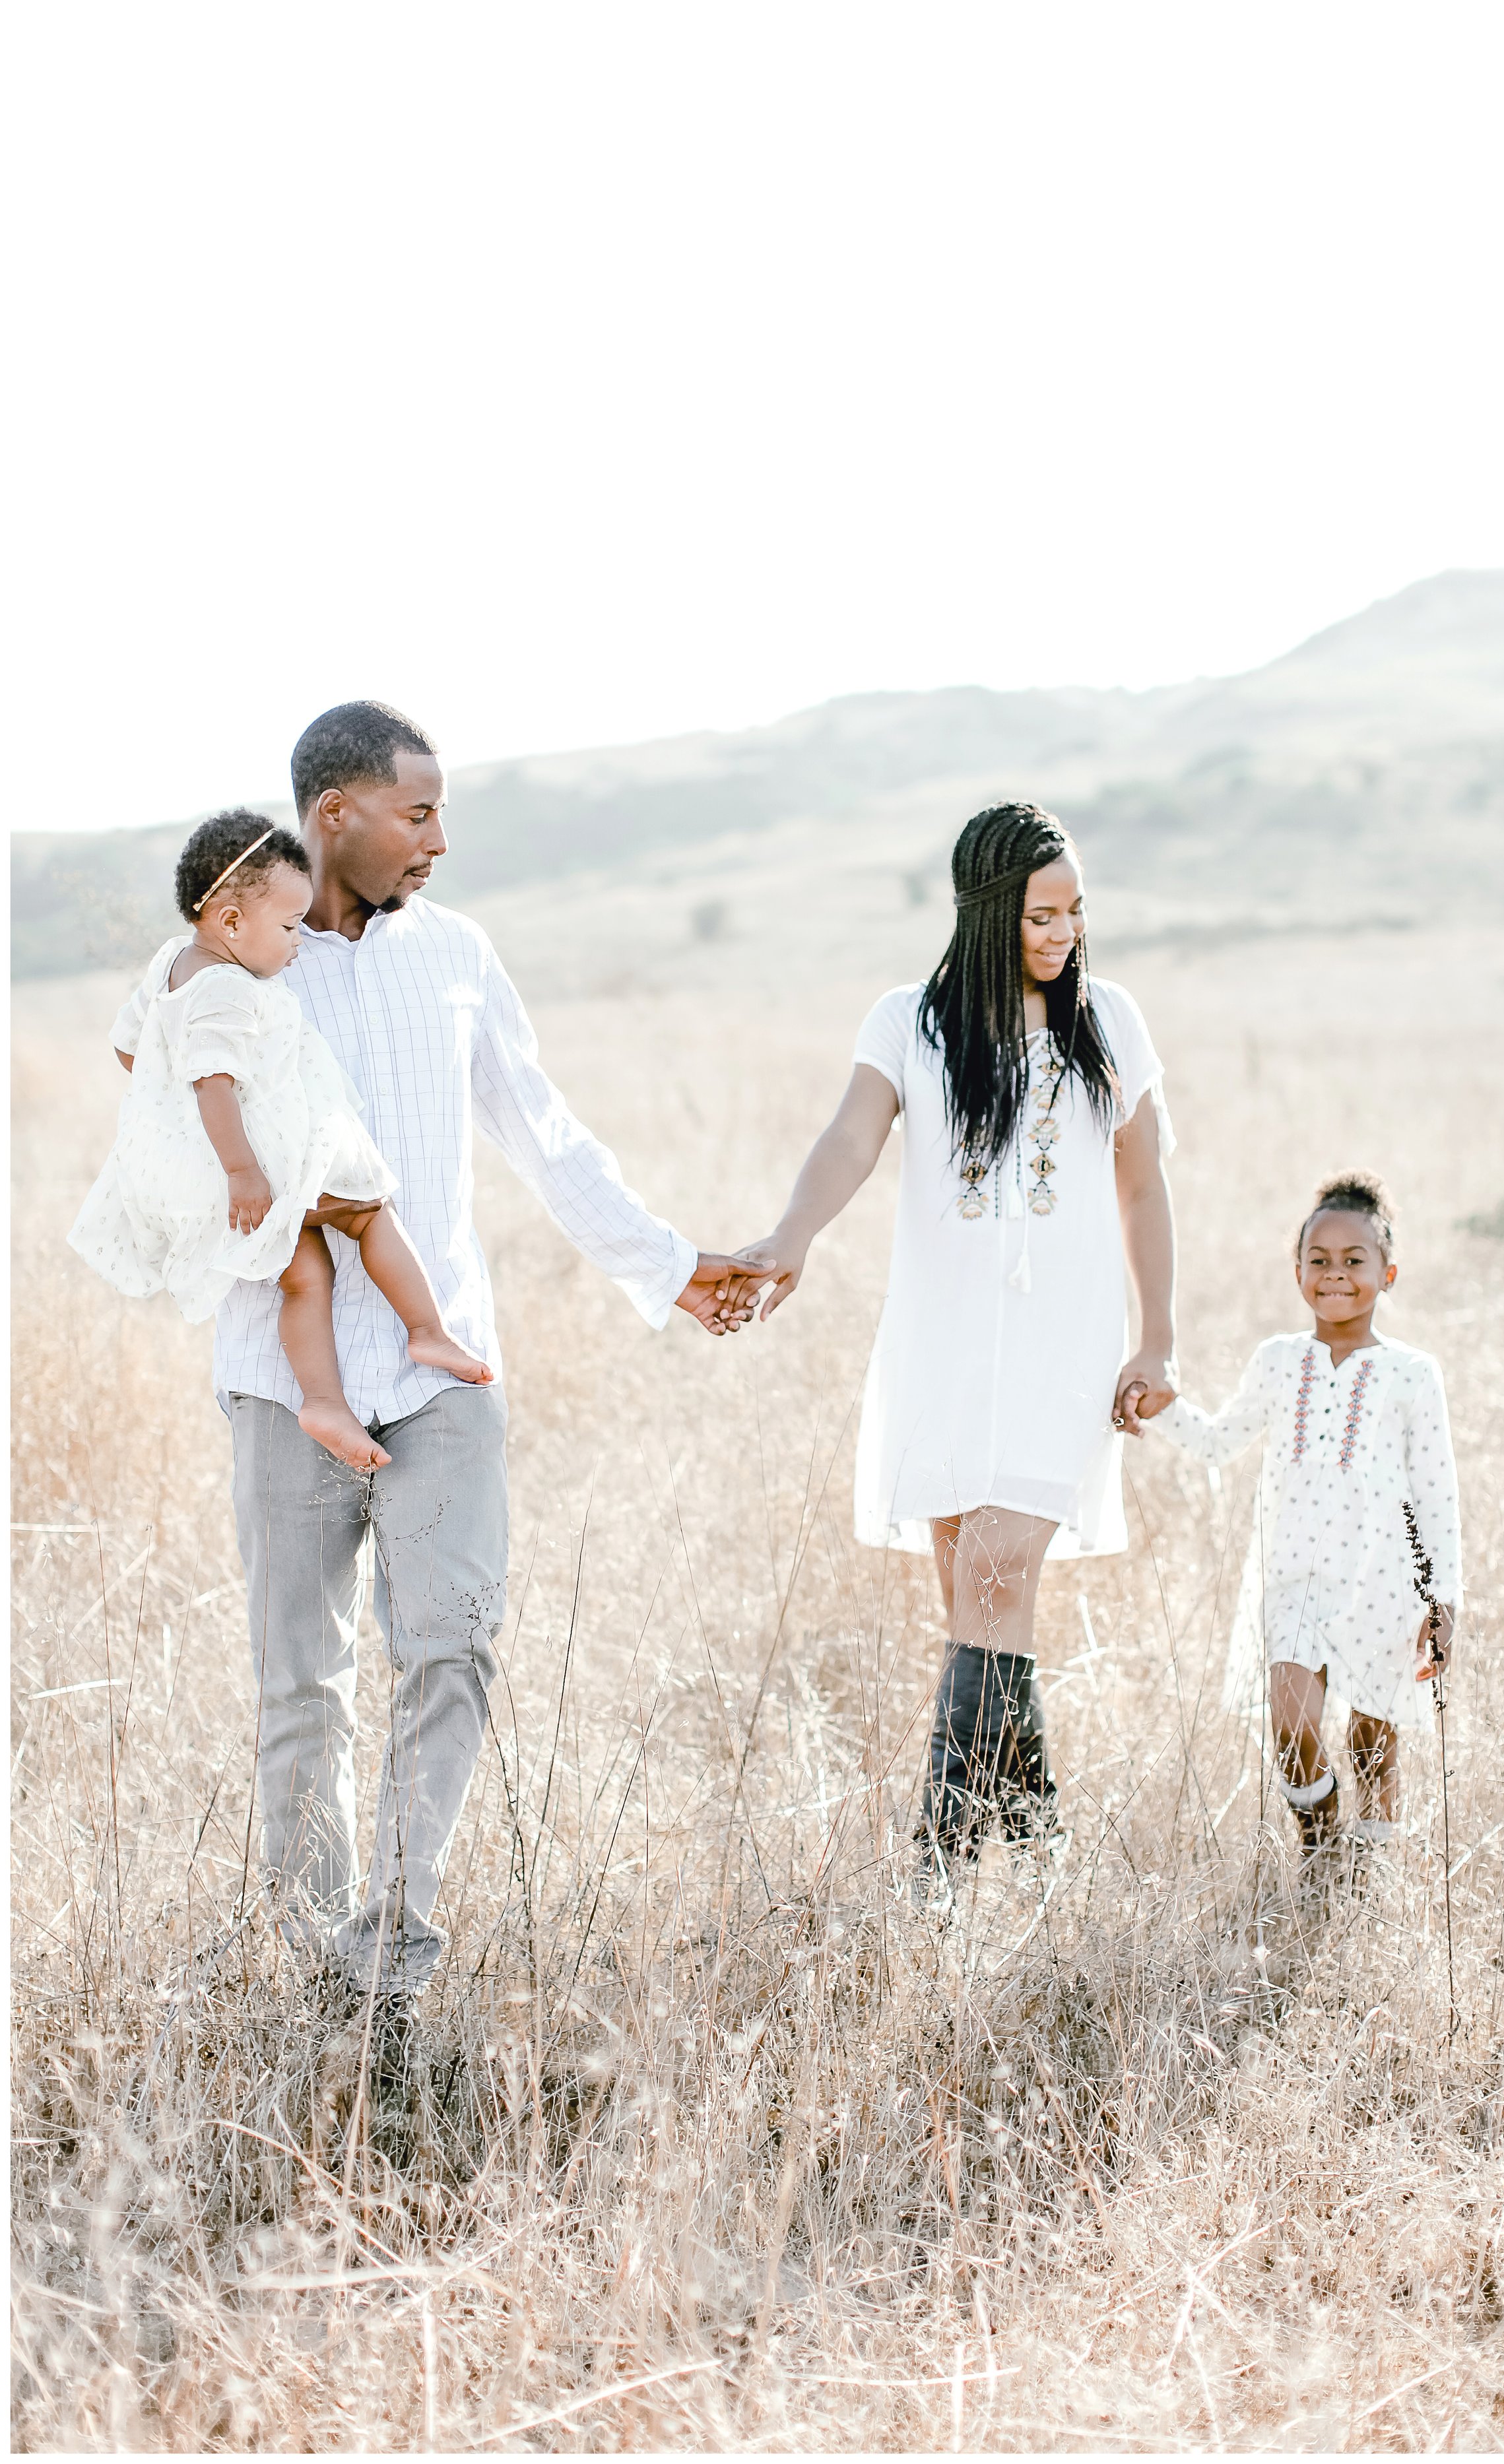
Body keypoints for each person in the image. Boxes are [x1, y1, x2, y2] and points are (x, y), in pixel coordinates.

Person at [106, 701, 766, 2022]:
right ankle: (305, 1971)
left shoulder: (457, 954)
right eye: (417, 815)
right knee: (301, 1680)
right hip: (281, 1375)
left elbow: (545, 1130)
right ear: (331, 815)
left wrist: (663, 1264)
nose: (439, 842)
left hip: (442, 1370)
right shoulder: (227, 969)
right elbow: (155, 1106)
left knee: (451, 1649)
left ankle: (385, 1949)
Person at [734, 802, 1177, 1891]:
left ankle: (933, 1861)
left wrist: (1157, 1336)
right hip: (938, 1347)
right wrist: (791, 1236)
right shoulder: (910, 1023)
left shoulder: (1108, 1019)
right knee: (979, 1608)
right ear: (985, 912)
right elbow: (849, 1136)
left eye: (1076, 910)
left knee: (992, 1576)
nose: (1064, 931)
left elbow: (1145, 1180)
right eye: (1040, 913)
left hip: (1062, 1349)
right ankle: (1037, 1847)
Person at [71, 810, 492, 1472]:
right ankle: (428, 1331)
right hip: (251, 1160)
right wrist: (242, 1168)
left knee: (304, 1273)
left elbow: (130, 1049)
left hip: (208, 1164)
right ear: (232, 923)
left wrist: (182, 1110)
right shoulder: (225, 990)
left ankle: (323, 1400)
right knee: (368, 1211)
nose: (298, 943)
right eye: (290, 928)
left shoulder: (169, 965)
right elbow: (213, 1084)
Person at [1145, 1172, 1462, 1869]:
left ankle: (1367, 1875)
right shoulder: (1279, 1361)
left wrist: (1442, 1601)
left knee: (1374, 1742)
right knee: (1291, 1723)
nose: (1336, 1274)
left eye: (1355, 1260)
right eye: (1319, 1260)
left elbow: (1436, 1495)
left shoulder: (1413, 1374)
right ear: (1297, 1272)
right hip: (1293, 1578)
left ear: (1388, 1271)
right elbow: (1220, 1439)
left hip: (1382, 1582)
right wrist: (1160, 1406)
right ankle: (1318, 1841)